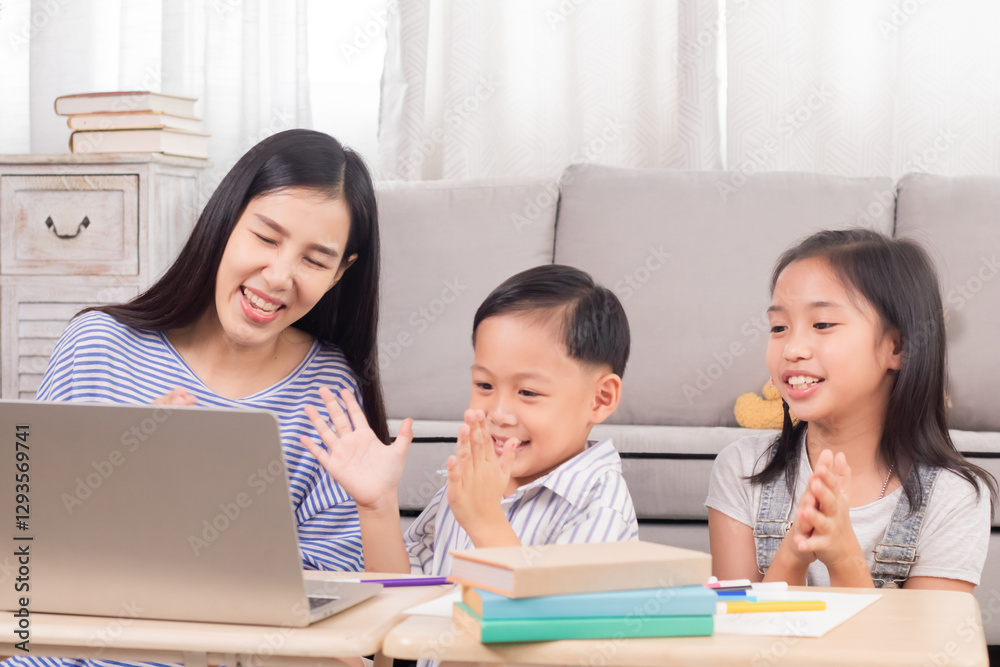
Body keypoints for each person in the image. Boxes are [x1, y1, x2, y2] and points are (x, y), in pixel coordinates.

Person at [28, 128, 388, 573]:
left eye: (314, 261)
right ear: (225, 220)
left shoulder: (330, 392)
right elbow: (26, 548)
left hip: (231, 643)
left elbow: (334, 587)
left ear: (339, 273)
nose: (278, 276)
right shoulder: (95, 346)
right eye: (266, 238)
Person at [303, 264, 638, 578]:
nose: (499, 413)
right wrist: (377, 505)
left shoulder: (599, 503)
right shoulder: (470, 478)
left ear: (600, 399)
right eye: (485, 386)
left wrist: (486, 523)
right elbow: (401, 593)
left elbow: (558, 622)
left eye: (528, 392)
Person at [706, 229, 996, 590]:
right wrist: (794, 554)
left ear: (898, 347)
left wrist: (843, 556)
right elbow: (743, 634)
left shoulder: (955, 497)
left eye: (822, 324)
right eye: (779, 327)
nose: (792, 348)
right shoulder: (742, 470)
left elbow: (917, 646)